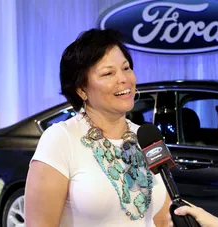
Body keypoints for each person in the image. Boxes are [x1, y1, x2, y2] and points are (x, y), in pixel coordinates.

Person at [24, 28, 171, 227]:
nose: (124, 79)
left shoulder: (145, 136)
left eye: (126, 68)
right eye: (109, 73)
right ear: (81, 89)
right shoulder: (61, 139)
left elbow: (162, 220)